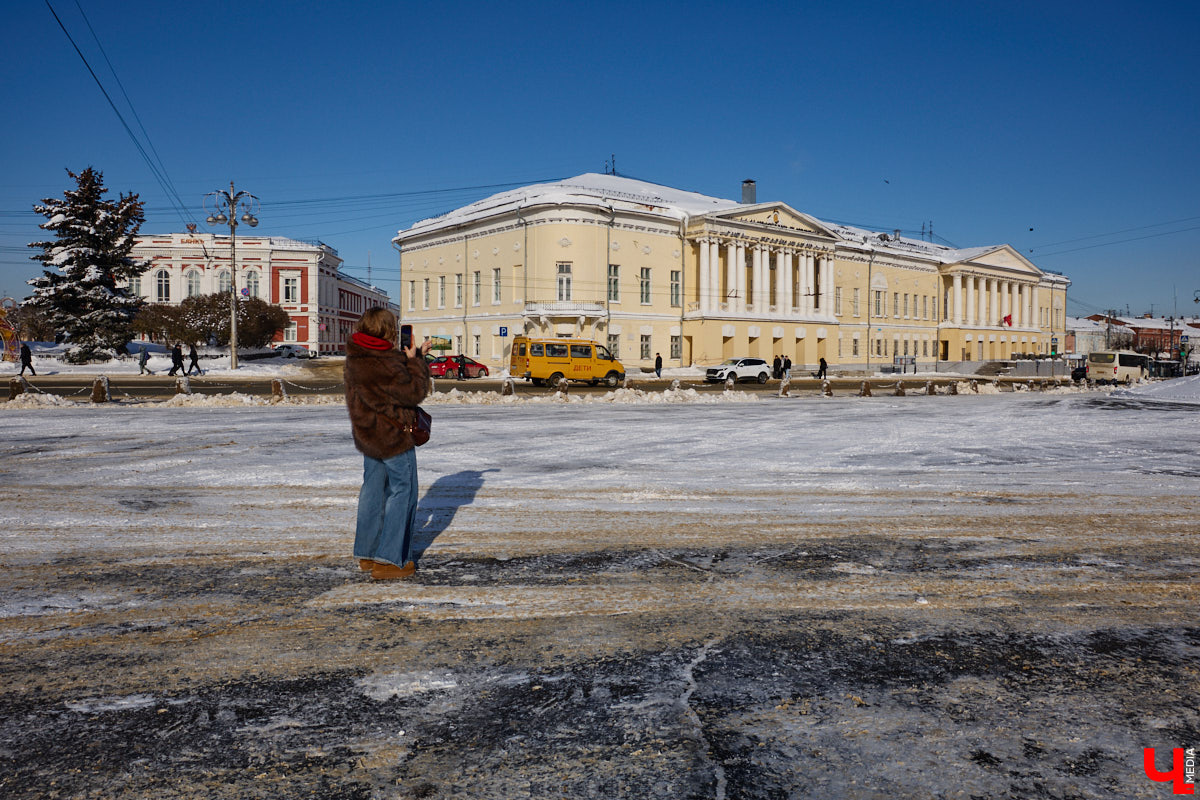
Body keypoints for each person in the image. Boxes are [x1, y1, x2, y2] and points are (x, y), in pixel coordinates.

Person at [344, 308, 432, 581]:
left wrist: (414, 357)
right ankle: (390, 560)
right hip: (394, 436)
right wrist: (417, 364)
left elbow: (386, 382)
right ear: (387, 330)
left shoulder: (357, 355)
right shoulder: (385, 361)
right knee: (402, 491)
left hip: (369, 436)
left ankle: (369, 553)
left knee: (373, 491)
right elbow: (413, 392)